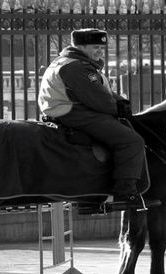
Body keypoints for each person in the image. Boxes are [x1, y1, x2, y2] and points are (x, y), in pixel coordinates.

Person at [38, 28, 146, 206]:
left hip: (71, 109)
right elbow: (98, 100)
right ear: (80, 46)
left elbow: (103, 92)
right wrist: (117, 108)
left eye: (101, 48)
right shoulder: (75, 67)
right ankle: (124, 191)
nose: (100, 51)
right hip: (74, 113)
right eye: (95, 47)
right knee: (131, 141)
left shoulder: (72, 62)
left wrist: (120, 101)